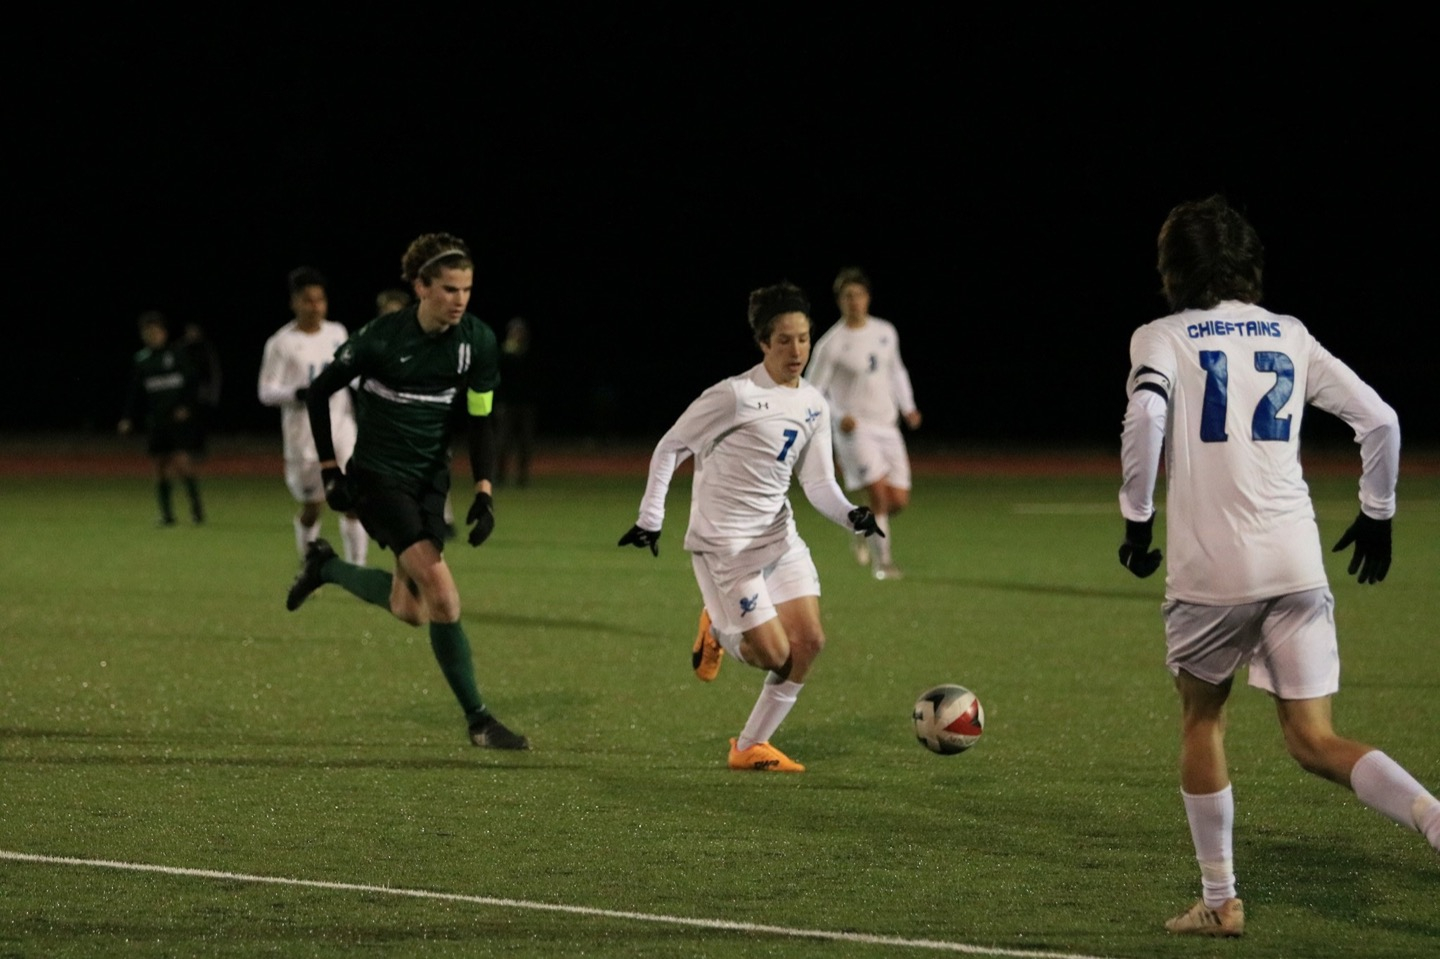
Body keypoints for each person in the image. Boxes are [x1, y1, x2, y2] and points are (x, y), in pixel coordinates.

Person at [1118, 195, 1440, 937]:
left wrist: (1137, 520)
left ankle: (1221, 897)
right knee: (1314, 739)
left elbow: (1147, 417)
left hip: (1212, 571)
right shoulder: (1289, 333)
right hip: (1297, 559)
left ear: (1174, 267)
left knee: (1203, 717)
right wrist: (1378, 513)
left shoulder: (1160, 335)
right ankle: (1431, 819)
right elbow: (1382, 419)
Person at [619, 281, 881, 772]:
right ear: (763, 342)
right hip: (727, 548)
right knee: (772, 656)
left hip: (780, 537)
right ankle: (717, 627)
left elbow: (818, 480)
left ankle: (748, 746)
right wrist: (651, 517)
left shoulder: (813, 403)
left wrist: (851, 514)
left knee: (809, 644)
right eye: (784, 340)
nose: (797, 350)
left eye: (803, 338)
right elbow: (671, 446)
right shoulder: (734, 396)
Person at [285, 233, 528, 751]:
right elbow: (320, 393)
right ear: (421, 288)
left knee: (410, 609)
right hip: (378, 479)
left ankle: (324, 566)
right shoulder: (380, 339)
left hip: (427, 482)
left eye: (466, 289)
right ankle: (479, 721)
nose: (460, 299)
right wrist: (332, 470)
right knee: (443, 597)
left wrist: (484, 490)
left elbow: (481, 420)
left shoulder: (478, 343)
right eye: (448, 289)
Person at [805, 267, 921, 580]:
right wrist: (840, 416)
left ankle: (859, 525)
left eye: (859, 295)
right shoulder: (831, 344)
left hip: (888, 426)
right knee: (880, 496)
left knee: (898, 500)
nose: (854, 301)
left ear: (868, 297)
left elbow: (896, 371)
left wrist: (908, 407)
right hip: (855, 432)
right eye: (847, 296)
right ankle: (883, 564)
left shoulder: (885, 331)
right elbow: (812, 392)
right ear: (839, 301)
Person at [257, 267, 368, 565]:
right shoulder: (280, 343)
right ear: (294, 302)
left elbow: (352, 373)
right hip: (304, 436)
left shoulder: (337, 332)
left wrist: (370, 387)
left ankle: (357, 567)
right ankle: (311, 566)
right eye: (308, 300)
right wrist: (298, 393)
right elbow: (265, 391)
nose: (315, 306)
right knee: (313, 506)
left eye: (320, 300)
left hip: (342, 429)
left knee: (353, 501)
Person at [117, 310, 206, 525]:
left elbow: (193, 383)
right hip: (156, 421)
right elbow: (135, 392)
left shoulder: (177, 355)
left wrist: (186, 406)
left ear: (164, 333)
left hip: (176, 420)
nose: (152, 336)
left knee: (182, 462)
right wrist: (127, 417)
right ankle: (167, 515)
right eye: (147, 333)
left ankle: (196, 510)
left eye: (155, 331)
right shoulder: (141, 360)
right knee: (159, 466)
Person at [494, 316, 538, 486]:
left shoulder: (529, 353)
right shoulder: (503, 353)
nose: (517, 334)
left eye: (520, 331)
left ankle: (522, 478)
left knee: (525, 443)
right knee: (503, 442)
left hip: (526, 405)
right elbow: (496, 377)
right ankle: (500, 476)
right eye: (514, 331)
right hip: (507, 404)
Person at [179, 321, 222, 453]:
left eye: (194, 331)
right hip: (184, 393)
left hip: (202, 392)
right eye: (189, 331)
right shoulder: (179, 348)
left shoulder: (206, 349)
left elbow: (214, 373)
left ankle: (198, 449)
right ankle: (184, 448)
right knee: (184, 422)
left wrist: (213, 394)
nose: (192, 334)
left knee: (200, 421)